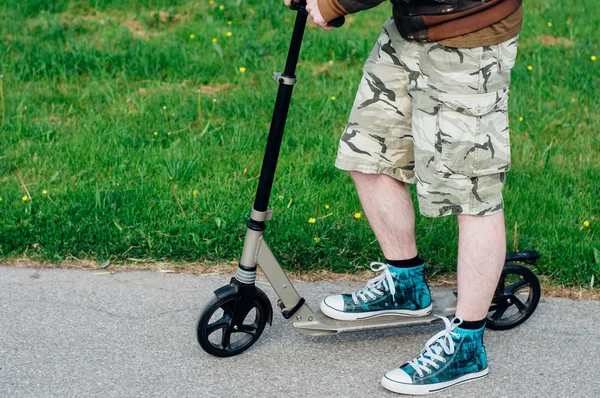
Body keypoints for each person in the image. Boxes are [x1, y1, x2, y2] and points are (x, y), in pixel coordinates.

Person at [284, 0, 523, 394]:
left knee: (471, 192)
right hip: (413, 23)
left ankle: (467, 347)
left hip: (468, 31)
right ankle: (404, 286)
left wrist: (332, 4)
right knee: (368, 151)